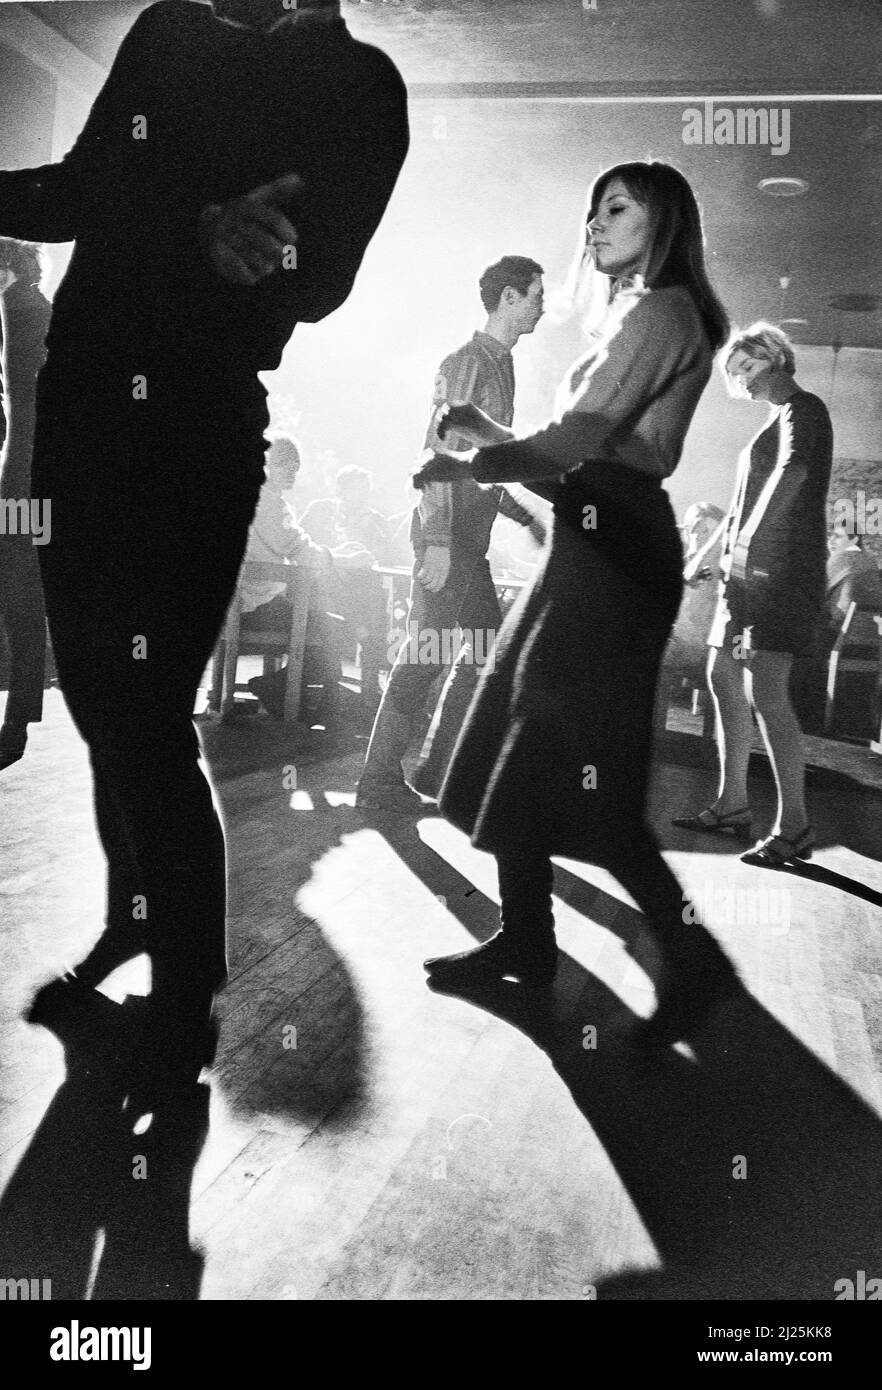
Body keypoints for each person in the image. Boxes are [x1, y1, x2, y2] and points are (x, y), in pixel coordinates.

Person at [2, 0, 408, 1096]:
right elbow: (82, 187)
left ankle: (186, 992)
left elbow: (323, 278)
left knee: (141, 710)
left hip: (197, 425)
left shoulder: (361, 86)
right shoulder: (165, 32)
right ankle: (138, 921)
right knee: (97, 700)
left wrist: (258, 249)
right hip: (80, 406)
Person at [413, 161, 739, 1046]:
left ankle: (696, 963)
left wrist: (472, 458)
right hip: (594, 541)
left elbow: (578, 446)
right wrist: (483, 442)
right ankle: (526, 945)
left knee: (578, 764)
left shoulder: (660, 310)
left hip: (617, 553)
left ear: (662, 218)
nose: (594, 224)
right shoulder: (646, 313)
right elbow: (579, 464)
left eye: (617, 209)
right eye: (592, 211)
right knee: (517, 744)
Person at [357, 255, 547, 811]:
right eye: (536, 294)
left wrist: (522, 516)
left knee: (483, 650)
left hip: (470, 540)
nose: (543, 305)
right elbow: (439, 450)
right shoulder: (467, 361)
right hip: (449, 536)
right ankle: (379, 779)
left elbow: (486, 463)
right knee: (425, 654)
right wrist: (437, 540)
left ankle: (442, 768)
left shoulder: (503, 365)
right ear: (508, 298)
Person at [673, 324, 833, 867]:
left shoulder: (802, 411)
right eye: (732, 373)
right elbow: (740, 502)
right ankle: (732, 806)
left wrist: (744, 546)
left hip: (779, 578)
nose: (737, 382)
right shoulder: (769, 424)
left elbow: (795, 472)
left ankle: (795, 829)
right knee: (722, 676)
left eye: (743, 369)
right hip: (745, 576)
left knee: (766, 693)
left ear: (772, 360)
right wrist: (707, 552)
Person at [238, 434, 363, 725]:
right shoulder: (266, 502)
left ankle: (290, 691)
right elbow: (299, 550)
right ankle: (301, 697)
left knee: (324, 622)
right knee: (336, 629)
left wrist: (331, 553)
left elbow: (296, 545)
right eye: (285, 467)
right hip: (256, 607)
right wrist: (345, 558)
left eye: (296, 467)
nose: (292, 473)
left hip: (244, 603)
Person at [0, 239, 51, 771]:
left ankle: (18, 718)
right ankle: (18, 715)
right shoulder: (28, 312)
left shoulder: (26, 314)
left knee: (19, 590)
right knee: (20, 592)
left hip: (22, 484)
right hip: (22, 482)